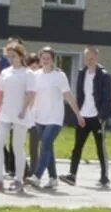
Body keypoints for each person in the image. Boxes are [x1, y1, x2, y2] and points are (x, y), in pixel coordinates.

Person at [62, 47, 111, 188]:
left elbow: (108, 99)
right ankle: (72, 175)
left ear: (96, 58)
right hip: (83, 116)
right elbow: (79, 95)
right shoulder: (81, 73)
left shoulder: (104, 75)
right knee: (77, 147)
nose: (89, 61)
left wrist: (102, 117)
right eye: (86, 58)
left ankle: (104, 176)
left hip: (97, 117)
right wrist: (78, 114)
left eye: (91, 58)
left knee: (100, 148)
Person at [30, 47, 79, 189]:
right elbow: (32, 96)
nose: (45, 61)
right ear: (40, 59)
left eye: (48, 58)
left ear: (53, 60)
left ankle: (36, 176)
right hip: (39, 117)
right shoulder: (35, 75)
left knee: (44, 145)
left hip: (55, 118)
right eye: (43, 58)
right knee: (48, 148)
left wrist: (78, 114)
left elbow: (68, 95)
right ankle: (53, 178)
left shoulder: (59, 76)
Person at [0, 43, 35, 193]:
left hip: (20, 114)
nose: (11, 59)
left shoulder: (28, 73)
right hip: (5, 113)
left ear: (21, 56)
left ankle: (18, 179)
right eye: (8, 56)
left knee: (17, 147)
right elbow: (1, 93)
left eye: (14, 56)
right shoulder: (5, 72)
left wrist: (24, 110)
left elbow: (30, 93)